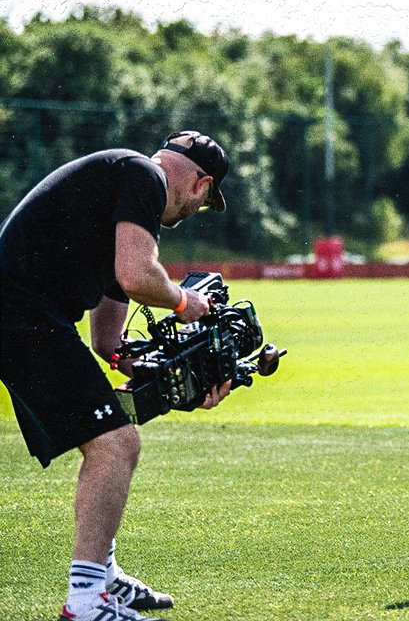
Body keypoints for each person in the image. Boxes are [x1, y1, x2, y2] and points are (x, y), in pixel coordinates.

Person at [0, 131, 234, 621]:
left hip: (29, 316)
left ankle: (102, 579)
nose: (196, 211)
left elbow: (109, 338)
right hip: (22, 316)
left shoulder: (124, 191)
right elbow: (137, 276)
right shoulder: (143, 176)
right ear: (201, 184)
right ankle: (86, 601)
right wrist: (186, 302)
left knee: (115, 433)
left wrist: (174, 375)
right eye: (205, 201)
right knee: (115, 444)